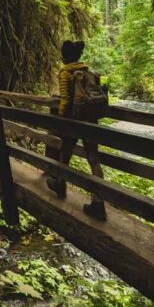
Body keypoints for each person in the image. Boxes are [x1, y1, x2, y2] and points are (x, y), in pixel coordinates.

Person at [47, 40, 107, 220]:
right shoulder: (89, 71)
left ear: (64, 56)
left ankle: (60, 183)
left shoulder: (66, 72)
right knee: (93, 159)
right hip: (91, 121)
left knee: (65, 153)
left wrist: (62, 120)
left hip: (74, 121)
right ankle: (99, 202)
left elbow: (65, 99)